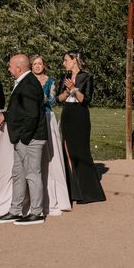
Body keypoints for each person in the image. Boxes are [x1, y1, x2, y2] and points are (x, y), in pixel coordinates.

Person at [0, 54, 48, 225]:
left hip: (30, 138)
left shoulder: (29, 84)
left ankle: (37, 212)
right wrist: (6, 115)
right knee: (18, 174)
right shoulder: (26, 82)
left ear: (19, 68)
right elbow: (21, 109)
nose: (8, 69)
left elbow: (32, 116)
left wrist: (24, 139)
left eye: (10, 66)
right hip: (23, 138)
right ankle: (15, 210)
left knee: (32, 174)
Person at [56, 51, 106, 205]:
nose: (64, 63)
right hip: (67, 114)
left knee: (81, 151)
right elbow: (59, 99)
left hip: (80, 115)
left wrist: (74, 89)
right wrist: (66, 90)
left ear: (74, 60)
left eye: (66, 60)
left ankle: (89, 192)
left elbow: (86, 100)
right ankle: (73, 191)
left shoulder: (87, 76)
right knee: (68, 151)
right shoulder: (64, 77)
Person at [30, 55, 71, 216]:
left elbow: (53, 101)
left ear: (44, 65)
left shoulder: (50, 80)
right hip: (32, 118)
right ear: (31, 66)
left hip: (47, 117)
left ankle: (55, 192)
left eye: (40, 63)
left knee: (50, 154)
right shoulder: (27, 80)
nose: (37, 66)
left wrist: (43, 97)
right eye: (34, 64)